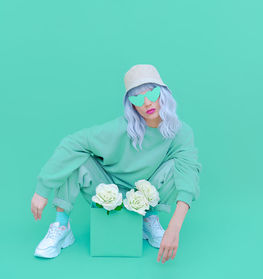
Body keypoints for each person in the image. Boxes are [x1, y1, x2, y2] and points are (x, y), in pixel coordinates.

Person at [30, 64, 202, 263]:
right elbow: (72, 143)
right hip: (105, 189)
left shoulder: (181, 132)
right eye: (138, 98)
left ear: (163, 94)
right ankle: (62, 226)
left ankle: (149, 218)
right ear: (131, 105)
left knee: (178, 167)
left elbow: (189, 174)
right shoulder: (120, 129)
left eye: (152, 94)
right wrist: (42, 189)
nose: (147, 103)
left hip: (145, 193)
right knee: (75, 157)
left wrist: (174, 227)